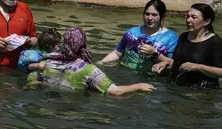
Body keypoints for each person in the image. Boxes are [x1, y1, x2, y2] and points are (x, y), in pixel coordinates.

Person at [27, 28, 155, 96]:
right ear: (83, 44)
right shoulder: (88, 69)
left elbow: (32, 78)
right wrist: (138, 86)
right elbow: (116, 92)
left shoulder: (48, 60)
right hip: (73, 113)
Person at [151, 4, 222, 89]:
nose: (188, 20)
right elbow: (179, 63)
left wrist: (198, 67)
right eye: (187, 16)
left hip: (201, 92)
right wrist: (166, 64)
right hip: (177, 86)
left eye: (193, 17)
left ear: (207, 21)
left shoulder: (216, 43)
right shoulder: (183, 37)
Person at [100, 0, 180, 73]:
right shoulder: (132, 32)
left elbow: (171, 64)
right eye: (147, 14)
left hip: (150, 78)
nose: (149, 18)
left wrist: (154, 53)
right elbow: (118, 53)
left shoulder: (170, 38)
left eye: (154, 15)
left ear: (163, 16)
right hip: (125, 73)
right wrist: (100, 63)